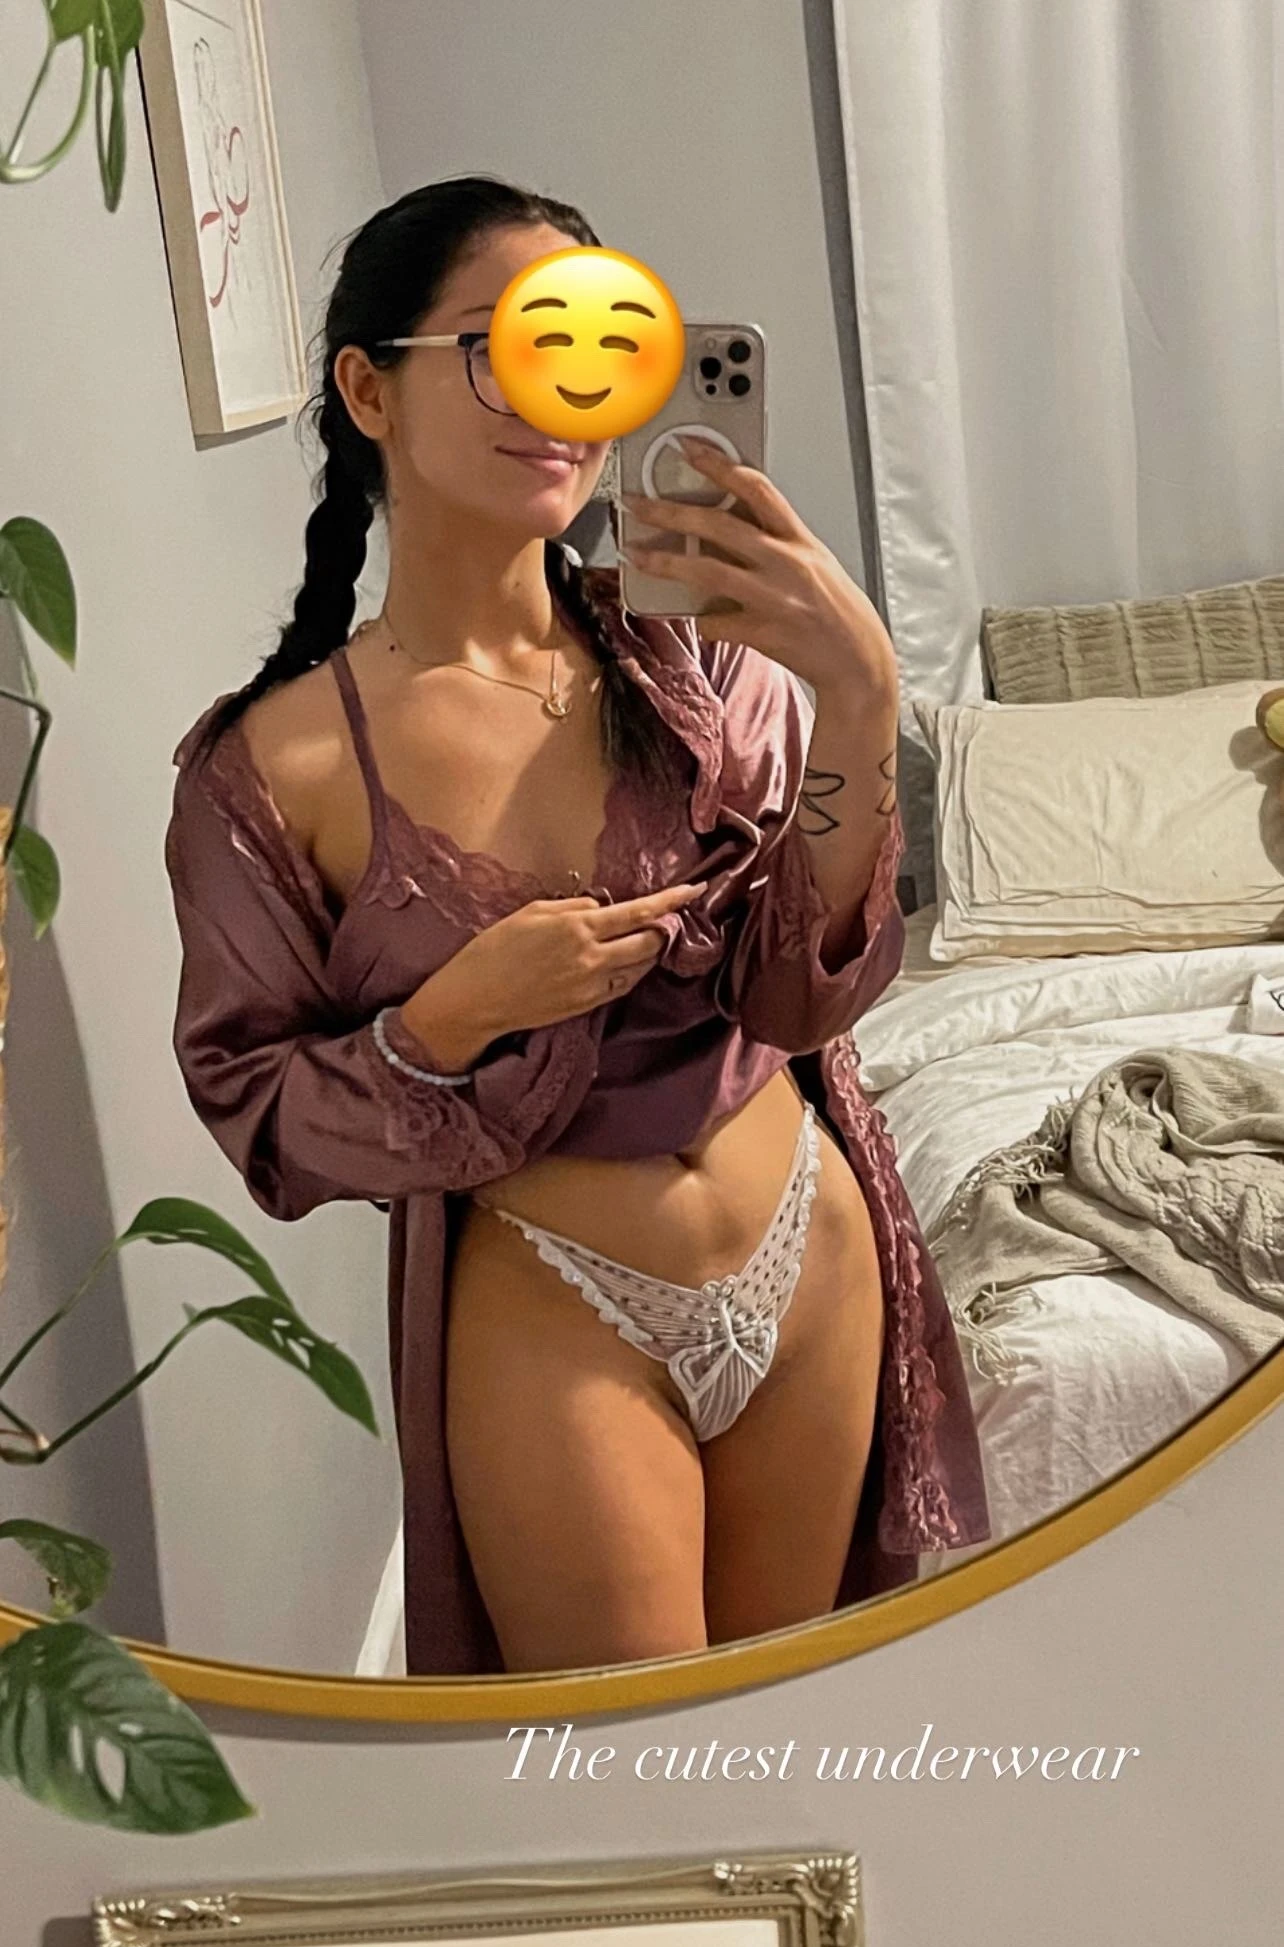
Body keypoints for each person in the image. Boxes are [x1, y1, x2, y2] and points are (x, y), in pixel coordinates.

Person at [165, 175, 990, 1677]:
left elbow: (801, 994)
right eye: (511, 346)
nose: (570, 394)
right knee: (633, 1761)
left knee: (791, 1731)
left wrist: (859, 694)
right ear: (370, 389)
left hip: (810, 1248)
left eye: (607, 346)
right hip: (555, 1300)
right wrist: (450, 1017)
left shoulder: (691, 663)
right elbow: (261, 1114)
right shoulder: (276, 768)